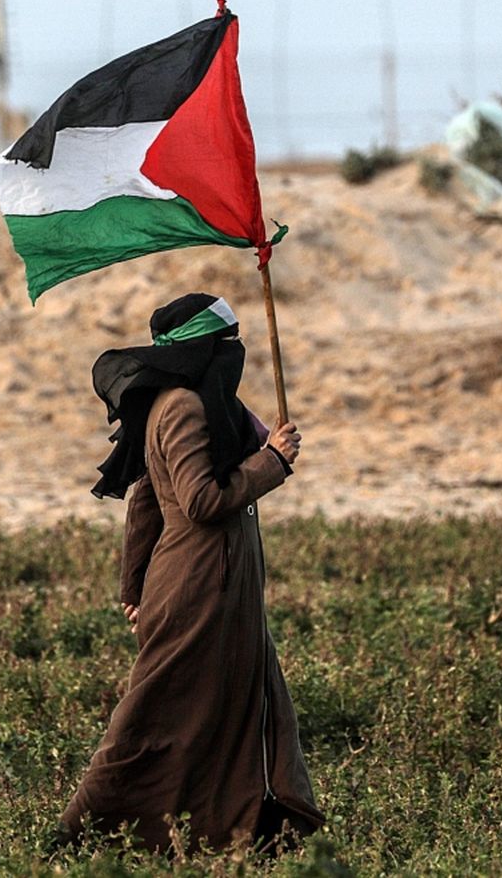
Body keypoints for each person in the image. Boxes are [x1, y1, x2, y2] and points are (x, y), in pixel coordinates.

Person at [58, 292, 324, 852]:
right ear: (206, 349)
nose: (237, 354)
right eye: (228, 344)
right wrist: (271, 461)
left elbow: (145, 501)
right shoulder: (181, 407)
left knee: (243, 708)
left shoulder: (202, 404)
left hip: (222, 591)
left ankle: (255, 830)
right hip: (197, 588)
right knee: (150, 721)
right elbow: (199, 501)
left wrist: (132, 587)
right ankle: (76, 835)